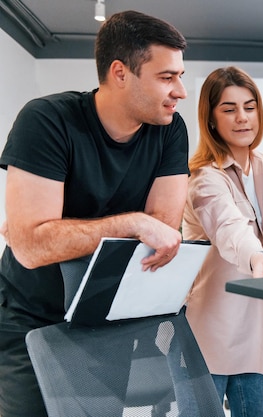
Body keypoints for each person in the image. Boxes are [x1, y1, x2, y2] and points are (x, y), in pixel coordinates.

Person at [0, 11, 189, 417]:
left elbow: (163, 234)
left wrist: (54, 234)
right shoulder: (47, 120)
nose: (181, 91)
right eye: (166, 77)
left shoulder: (169, 128)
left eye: (180, 76)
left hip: (105, 318)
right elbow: (32, 249)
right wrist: (132, 223)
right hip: (32, 318)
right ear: (120, 72)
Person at [182, 66, 263, 417]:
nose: (243, 118)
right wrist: (258, 256)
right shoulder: (204, 177)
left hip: (259, 324)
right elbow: (230, 228)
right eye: (229, 109)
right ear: (211, 119)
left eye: (249, 106)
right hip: (214, 324)